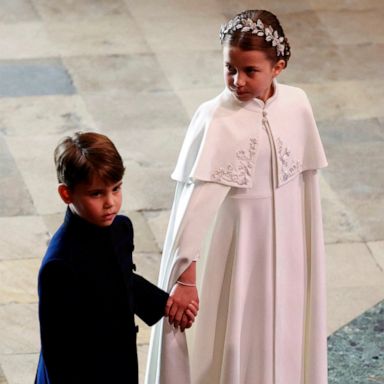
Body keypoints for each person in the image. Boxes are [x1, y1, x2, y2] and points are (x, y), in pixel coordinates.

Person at [146, 9, 328, 384]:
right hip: (242, 250)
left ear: (278, 67)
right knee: (238, 340)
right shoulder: (215, 118)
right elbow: (191, 214)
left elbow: (306, 189)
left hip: (290, 251)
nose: (237, 81)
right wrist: (186, 279)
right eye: (230, 68)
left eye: (250, 71)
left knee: (288, 333)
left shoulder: (297, 105)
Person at [35, 132, 197, 384]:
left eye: (116, 189)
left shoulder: (121, 228)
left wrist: (163, 303)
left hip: (118, 362)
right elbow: (58, 352)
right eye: (97, 194)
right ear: (66, 194)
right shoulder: (59, 265)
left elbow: (121, 277)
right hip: (82, 372)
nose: (111, 202)